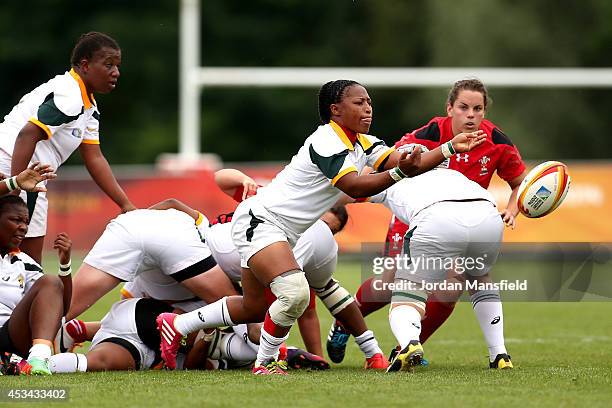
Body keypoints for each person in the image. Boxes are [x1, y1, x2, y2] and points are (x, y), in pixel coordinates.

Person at [156, 79, 486, 375]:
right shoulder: (326, 139)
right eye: (359, 102)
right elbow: (356, 187)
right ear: (335, 109)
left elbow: (402, 161)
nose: (368, 108)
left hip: (275, 227)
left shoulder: (363, 143)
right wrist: (404, 170)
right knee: (295, 292)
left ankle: (176, 324)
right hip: (261, 222)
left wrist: (449, 148)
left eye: (369, 102)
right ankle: (266, 363)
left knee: (254, 307)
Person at [327, 78, 526, 363]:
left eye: (477, 109)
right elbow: (387, 164)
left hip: (467, 218)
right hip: (416, 215)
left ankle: (409, 347)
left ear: (484, 112)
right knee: (390, 282)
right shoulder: (429, 133)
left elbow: (520, 183)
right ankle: (345, 321)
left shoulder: (497, 142)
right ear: (450, 108)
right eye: (463, 107)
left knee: (452, 285)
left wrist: (512, 209)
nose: (471, 115)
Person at [359, 154, 512, 371]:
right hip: (487, 214)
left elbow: (354, 189)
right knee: (480, 279)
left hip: (437, 216)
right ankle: (499, 354)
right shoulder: (455, 174)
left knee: (408, 291)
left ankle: (410, 342)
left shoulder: (397, 177)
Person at [0, 32, 135, 264]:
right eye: (108, 64)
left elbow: (94, 158)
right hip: (14, 169)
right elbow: (26, 134)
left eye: (118, 66)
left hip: (24, 176)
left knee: (22, 267)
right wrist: (15, 188)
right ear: (84, 65)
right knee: (29, 268)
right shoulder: (70, 95)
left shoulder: (88, 105)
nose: (116, 72)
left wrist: (126, 204)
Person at [0, 195, 72, 376]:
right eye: (16, 220)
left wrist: (65, 265)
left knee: (50, 282)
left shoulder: (23, 262)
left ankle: (38, 359)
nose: (23, 227)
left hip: (10, 335)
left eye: (25, 222)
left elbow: (60, 309)